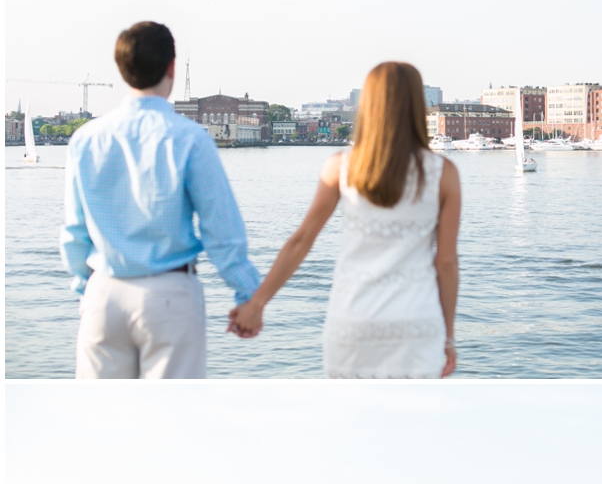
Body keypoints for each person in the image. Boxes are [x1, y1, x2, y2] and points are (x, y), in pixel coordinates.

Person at [227, 61, 461, 378]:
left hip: (354, 318)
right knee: (415, 425)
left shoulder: (341, 167)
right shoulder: (443, 173)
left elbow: (302, 241)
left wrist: (256, 304)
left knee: (351, 424)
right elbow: (445, 262)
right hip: (416, 321)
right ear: (417, 106)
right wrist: (447, 337)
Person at [60, 21, 261, 379]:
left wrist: (85, 287)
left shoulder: (85, 139)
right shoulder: (191, 139)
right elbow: (222, 233)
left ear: (121, 70)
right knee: (173, 422)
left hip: (104, 292)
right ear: (171, 67)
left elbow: (74, 232)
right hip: (169, 296)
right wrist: (249, 296)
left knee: (99, 424)